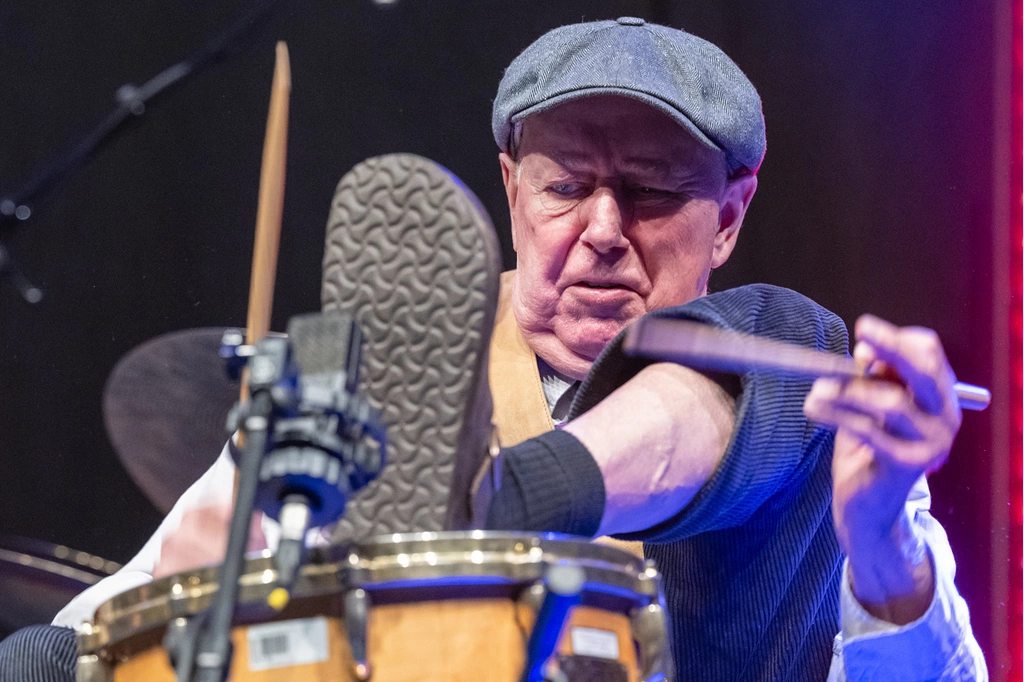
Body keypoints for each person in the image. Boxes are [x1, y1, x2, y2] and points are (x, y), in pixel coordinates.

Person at [8, 17, 984, 682]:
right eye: (567, 187)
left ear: (727, 217)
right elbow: (130, 611)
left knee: (781, 345)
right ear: (511, 188)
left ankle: (507, 500)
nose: (604, 227)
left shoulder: (838, 419)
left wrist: (884, 536)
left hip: (758, 477)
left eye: (648, 192)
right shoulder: (369, 389)